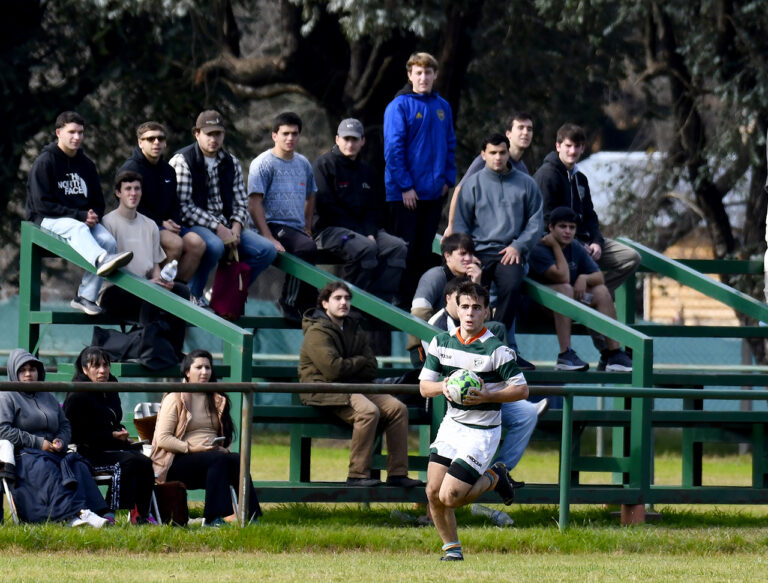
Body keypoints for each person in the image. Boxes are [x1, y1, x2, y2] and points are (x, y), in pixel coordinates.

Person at [419, 281, 527, 561]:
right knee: (432, 491)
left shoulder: (496, 350)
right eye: (464, 306)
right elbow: (424, 387)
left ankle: (494, 476)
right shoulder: (441, 342)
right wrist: (446, 386)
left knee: (450, 497)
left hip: (482, 431)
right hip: (452, 426)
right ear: (454, 307)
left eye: (476, 307)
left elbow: (521, 389)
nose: (469, 313)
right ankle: (452, 551)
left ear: (486, 312)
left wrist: (487, 394)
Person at [298, 281, 423, 488]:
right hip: (324, 389)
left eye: (347, 298)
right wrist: (358, 362)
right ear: (325, 304)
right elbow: (332, 370)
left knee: (398, 409)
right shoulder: (316, 332)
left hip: (355, 386)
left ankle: (397, 474)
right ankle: (357, 475)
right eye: (337, 298)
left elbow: (371, 366)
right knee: (368, 411)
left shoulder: (354, 327)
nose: (343, 303)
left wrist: (353, 365)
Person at [26, 111, 133, 316]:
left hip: (82, 220)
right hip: (47, 218)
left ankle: (85, 296)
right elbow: (42, 204)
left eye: (80, 132)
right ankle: (101, 259)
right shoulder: (45, 162)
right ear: (59, 133)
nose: (77, 137)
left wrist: (93, 216)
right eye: (71, 132)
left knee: (108, 242)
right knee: (79, 230)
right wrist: (80, 216)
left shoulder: (87, 164)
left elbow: (98, 201)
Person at [169, 110, 277, 307]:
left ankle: (223, 292)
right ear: (197, 134)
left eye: (218, 134)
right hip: (193, 225)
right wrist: (219, 228)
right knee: (215, 245)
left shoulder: (231, 162)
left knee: (267, 251)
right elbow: (183, 207)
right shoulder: (182, 160)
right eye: (209, 134)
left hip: (228, 225)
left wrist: (236, 227)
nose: (214, 139)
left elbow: (240, 202)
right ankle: (194, 294)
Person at [452, 133, 544, 358]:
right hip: (479, 252)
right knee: (470, 292)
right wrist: (467, 255)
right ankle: (466, 344)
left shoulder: (526, 183)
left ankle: (495, 343)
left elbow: (536, 222)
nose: (498, 157)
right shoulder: (472, 184)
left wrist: (519, 246)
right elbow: (461, 222)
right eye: (492, 153)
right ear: (483, 155)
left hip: (509, 251)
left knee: (512, 285)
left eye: (502, 152)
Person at [151, 349, 261, 526]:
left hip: (211, 460)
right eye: (199, 367)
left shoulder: (217, 398)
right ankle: (213, 518)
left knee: (236, 459)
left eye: (208, 367)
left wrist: (225, 448)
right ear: (187, 372)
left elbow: (226, 433)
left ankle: (251, 516)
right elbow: (163, 439)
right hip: (176, 461)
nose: (204, 372)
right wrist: (193, 448)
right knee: (218, 460)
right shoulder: (175, 397)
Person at [0, 349, 108, 526]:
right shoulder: (7, 395)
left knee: (78, 465)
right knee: (47, 467)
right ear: (13, 372)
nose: (28, 374)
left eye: (32, 369)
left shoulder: (47, 396)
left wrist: (60, 440)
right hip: (25, 455)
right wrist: (37, 442)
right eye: (23, 370)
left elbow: (64, 424)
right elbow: (2, 430)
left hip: (54, 451)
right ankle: (73, 514)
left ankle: (99, 513)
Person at [533, 123, 641, 295]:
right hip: (560, 244)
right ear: (558, 146)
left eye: (577, 146)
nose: (572, 151)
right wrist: (577, 244)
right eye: (568, 146)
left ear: (583, 148)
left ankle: (592, 293)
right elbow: (545, 220)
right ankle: (588, 297)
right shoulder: (547, 175)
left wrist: (597, 241)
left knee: (631, 258)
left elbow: (590, 215)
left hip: (587, 242)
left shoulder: (580, 178)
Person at [383, 51, 456, 300]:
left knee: (424, 252)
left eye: (427, 72)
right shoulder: (399, 106)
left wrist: (448, 179)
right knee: (405, 249)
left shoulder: (442, 106)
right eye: (418, 73)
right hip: (406, 194)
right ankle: (400, 300)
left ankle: (418, 300)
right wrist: (405, 186)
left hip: (433, 193)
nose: (423, 77)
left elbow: (450, 143)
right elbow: (393, 149)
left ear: (435, 75)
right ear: (410, 75)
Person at [313, 118, 407, 302]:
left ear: (362, 141)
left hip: (363, 231)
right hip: (329, 229)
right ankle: (348, 300)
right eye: (346, 139)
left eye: (354, 139)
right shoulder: (323, 166)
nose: (350, 144)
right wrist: (363, 233)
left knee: (398, 247)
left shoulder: (367, 171)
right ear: (337, 139)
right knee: (366, 247)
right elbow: (327, 208)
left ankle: (380, 302)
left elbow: (375, 209)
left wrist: (369, 231)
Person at [528, 207, 633, 372]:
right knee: (565, 288)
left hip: (568, 303)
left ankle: (614, 354)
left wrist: (584, 278)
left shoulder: (575, 246)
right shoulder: (539, 248)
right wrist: (555, 246)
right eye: (562, 226)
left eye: (572, 227)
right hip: (537, 308)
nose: (568, 231)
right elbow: (561, 276)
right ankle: (565, 354)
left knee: (601, 292)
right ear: (551, 227)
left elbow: (599, 276)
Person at [100, 170, 190, 358]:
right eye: (128, 189)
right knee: (149, 293)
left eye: (137, 189)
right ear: (118, 193)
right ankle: (148, 350)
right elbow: (108, 270)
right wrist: (147, 286)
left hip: (145, 288)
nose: (133, 193)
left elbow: (155, 267)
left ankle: (174, 351)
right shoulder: (108, 223)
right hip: (114, 291)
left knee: (182, 291)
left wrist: (163, 282)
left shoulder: (150, 225)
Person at [63, 346, 158, 524]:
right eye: (96, 366)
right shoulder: (78, 395)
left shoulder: (111, 387)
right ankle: (110, 512)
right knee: (128, 462)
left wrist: (120, 432)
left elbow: (111, 420)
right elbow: (76, 436)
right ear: (84, 369)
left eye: (105, 365)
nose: (102, 371)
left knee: (145, 461)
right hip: (87, 453)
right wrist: (111, 436)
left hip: (112, 446)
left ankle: (143, 514)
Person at [248, 111, 319, 320]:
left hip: (295, 229)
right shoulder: (263, 163)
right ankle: (289, 301)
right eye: (285, 133)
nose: (290, 138)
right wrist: (268, 237)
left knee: (308, 246)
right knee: (306, 248)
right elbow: (254, 204)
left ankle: (309, 304)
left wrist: (307, 227)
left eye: (295, 134)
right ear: (274, 136)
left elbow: (311, 196)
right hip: (270, 224)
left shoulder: (303, 163)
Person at [118, 120, 206, 283]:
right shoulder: (130, 169)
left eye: (160, 138)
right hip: (137, 224)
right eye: (150, 139)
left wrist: (174, 223)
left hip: (165, 224)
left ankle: (176, 290)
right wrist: (161, 223)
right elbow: (130, 207)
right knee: (175, 244)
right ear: (140, 143)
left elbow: (174, 202)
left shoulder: (168, 171)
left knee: (197, 244)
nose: (156, 142)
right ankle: (157, 292)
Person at [445, 111, 535, 236]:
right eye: (520, 128)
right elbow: (460, 190)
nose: (525, 133)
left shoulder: (522, 169)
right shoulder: (488, 160)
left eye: (529, 129)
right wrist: (451, 227)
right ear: (508, 134)